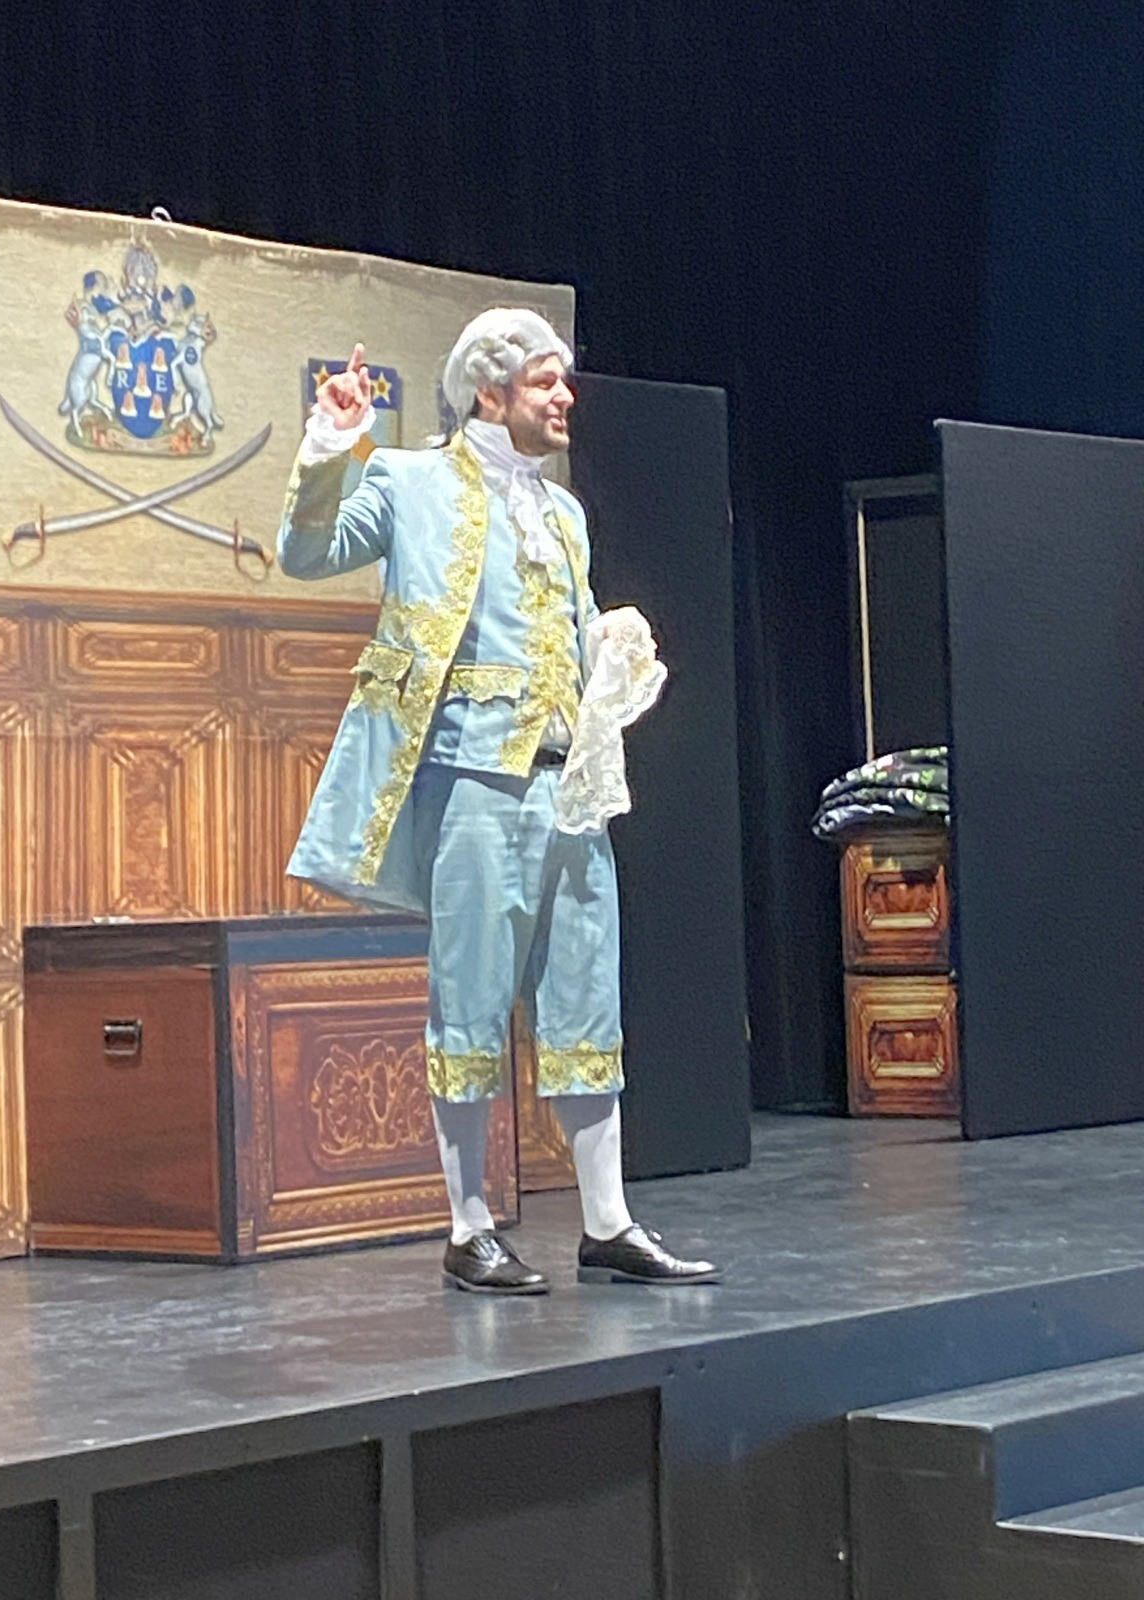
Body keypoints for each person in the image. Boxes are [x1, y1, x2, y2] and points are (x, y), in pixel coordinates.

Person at [277, 307, 718, 1294]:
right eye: (546, 381)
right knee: (470, 996)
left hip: (572, 782)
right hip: (474, 775)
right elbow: (306, 552)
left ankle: (607, 1222)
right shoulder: (409, 481)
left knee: (587, 990)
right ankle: (467, 1223)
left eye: (564, 380)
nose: (566, 397)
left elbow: (561, 625)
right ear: (489, 390)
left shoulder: (564, 513)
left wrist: (608, 646)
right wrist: (334, 443)